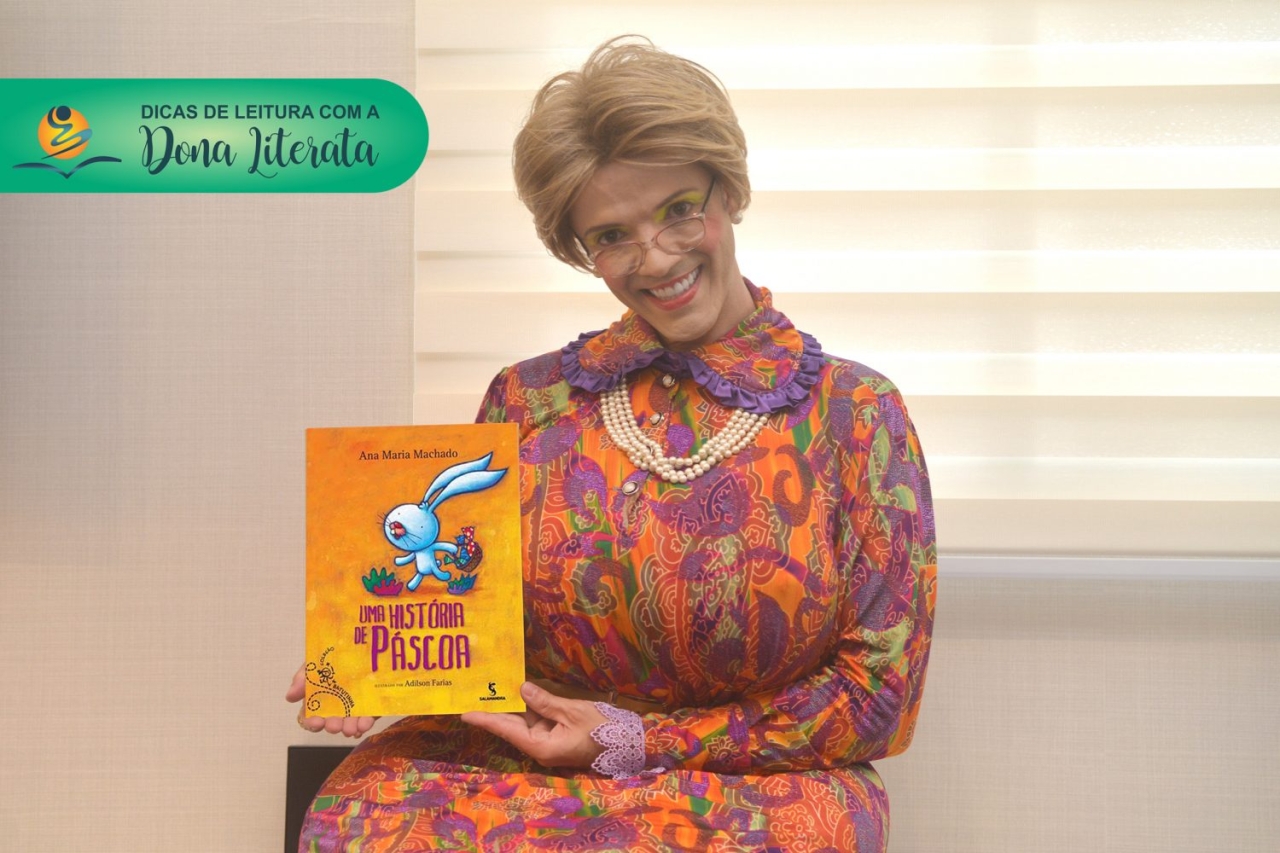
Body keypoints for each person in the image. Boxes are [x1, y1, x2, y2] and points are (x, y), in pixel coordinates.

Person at [288, 35, 936, 852]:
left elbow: (879, 699)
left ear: (729, 188)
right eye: (611, 235)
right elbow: (462, 612)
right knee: (354, 824)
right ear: (579, 248)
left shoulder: (857, 413)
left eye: (679, 209)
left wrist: (635, 741)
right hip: (519, 762)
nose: (655, 258)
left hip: (757, 784)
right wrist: (366, 656)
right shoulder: (527, 400)